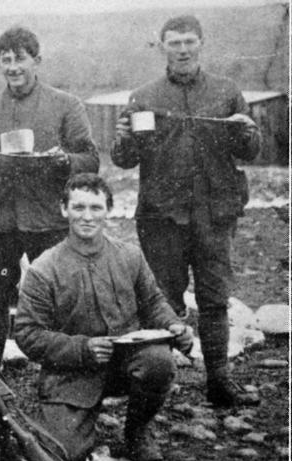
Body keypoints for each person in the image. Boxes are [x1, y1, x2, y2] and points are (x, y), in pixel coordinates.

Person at [111, 15, 261, 407]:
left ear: (201, 44)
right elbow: (124, 159)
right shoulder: (144, 96)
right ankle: (162, 384)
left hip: (215, 212)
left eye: (189, 42)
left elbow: (250, 150)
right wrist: (123, 139)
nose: (182, 49)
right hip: (161, 216)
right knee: (163, 300)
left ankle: (219, 380)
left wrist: (248, 131)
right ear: (162, 46)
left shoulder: (227, 92)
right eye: (174, 43)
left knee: (214, 299)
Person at [13, 173, 194, 461]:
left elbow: (152, 302)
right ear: (64, 210)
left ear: (108, 210)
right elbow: (28, 334)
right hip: (72, 372)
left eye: (96, 208)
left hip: (126, 362)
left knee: (158, 362)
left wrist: (173, 325)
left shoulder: (129, 256)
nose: (87, 217)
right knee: (62, 454)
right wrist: (82, 348)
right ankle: (71, 424)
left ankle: (137, 430)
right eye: (78, 207)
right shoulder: (43, 269)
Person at [0, 26, 99, 363]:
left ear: (37, 61)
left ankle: (66, 367)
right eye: (6, 60)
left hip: (47, 219)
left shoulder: (65, 105)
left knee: (60, 295)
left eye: (21, 59)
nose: (13, 67)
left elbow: (90, 160)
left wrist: (64, 161)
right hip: (0, 222)